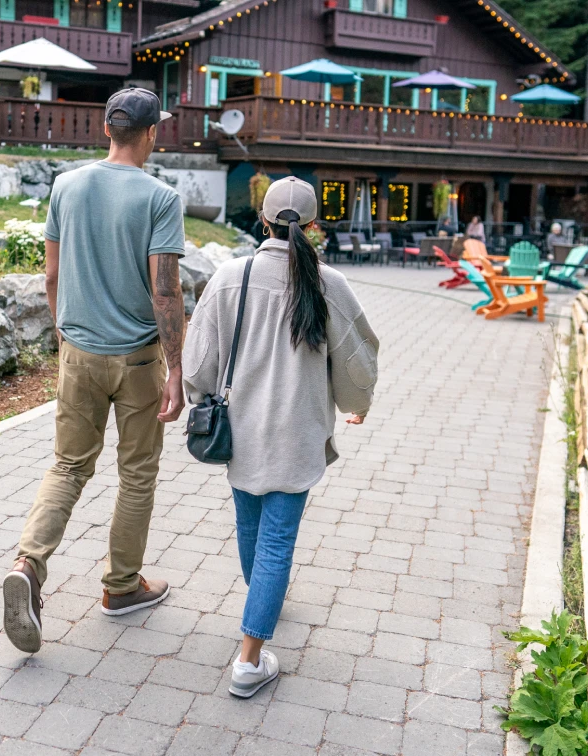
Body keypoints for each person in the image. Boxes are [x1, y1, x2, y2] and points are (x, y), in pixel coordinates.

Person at [2, 88, 186, 653]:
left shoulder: (67, 185)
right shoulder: (161, 198)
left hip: (77, 354)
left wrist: (65, 335)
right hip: (137, 361)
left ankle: (29, 564)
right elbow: (165, 290)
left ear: (109, 130)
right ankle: (121, 587)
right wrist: (176, 369)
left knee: (68, 465)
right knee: (136, 476)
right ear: (152, 133)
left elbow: (52, 276)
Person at [183, 176, 379, 698]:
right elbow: (359, 361)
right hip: (298, 434)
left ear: (263, 221)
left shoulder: (229, 277)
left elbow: (198, 363)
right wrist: (356, 407)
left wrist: (195, 393)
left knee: (251, 527)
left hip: (240, 431)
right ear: (313, 227)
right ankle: (249, 661)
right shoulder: (329, 283)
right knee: (275, 542)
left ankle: (261, 602)